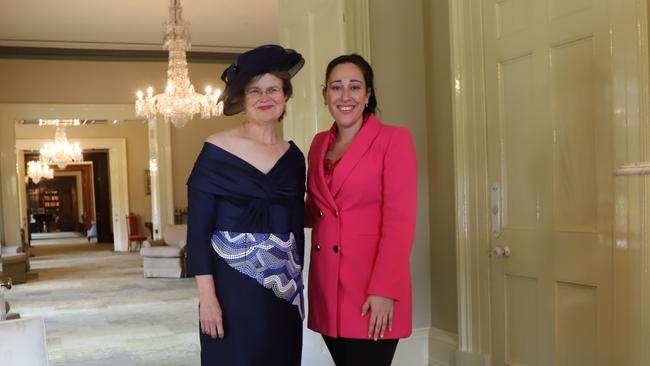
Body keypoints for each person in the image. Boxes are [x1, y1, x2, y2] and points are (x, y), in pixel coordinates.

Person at [186, 44, 306, 366]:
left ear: (285, 96)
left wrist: (298, 289)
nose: (265, 97)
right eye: (255, 90)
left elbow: (296, 225)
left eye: (273, 89)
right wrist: (207, 299)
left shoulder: (294, 157)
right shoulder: (217, 149)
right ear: (243, 98)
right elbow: (198, 232)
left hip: (284, 285)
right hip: (231, 286)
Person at [305, 54, 417, 366]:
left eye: (354, 87)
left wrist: (384, 290)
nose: (345, 96)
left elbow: (400, 223)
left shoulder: (394, 140)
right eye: (336, 87)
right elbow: (315, 209)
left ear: (368, 95)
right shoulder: (318, 144)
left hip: (371, 291)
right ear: (325, 94)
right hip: (328, 288)